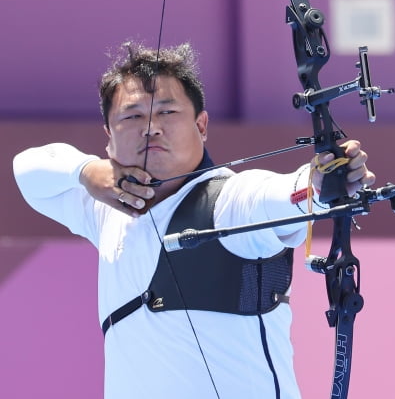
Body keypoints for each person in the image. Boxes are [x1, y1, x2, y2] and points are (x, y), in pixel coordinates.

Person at [13, 41, 375, 399]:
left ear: (201, 126)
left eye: (168, 113)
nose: (151, 127)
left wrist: (319, 184)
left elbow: (279, 195)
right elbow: (26, 169)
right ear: (108, 138)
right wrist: (85, 170)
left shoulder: (229, 201)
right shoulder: (106, 209)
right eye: (132, 116)